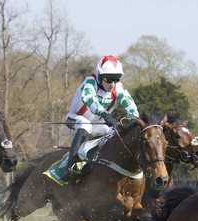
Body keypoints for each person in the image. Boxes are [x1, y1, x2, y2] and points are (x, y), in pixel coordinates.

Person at [44, 55, 140, 185]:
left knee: (114, 132)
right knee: (86, 124)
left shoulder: (117, 87)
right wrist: (105, 115)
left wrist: (132, 118)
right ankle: (68, 166)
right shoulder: (90, 83)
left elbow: (129, 104)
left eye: (116, 79)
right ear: (99, 76)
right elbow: (90, 100)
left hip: (97, 125)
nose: (112, 84)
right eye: (108, 79)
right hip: (75, 120)